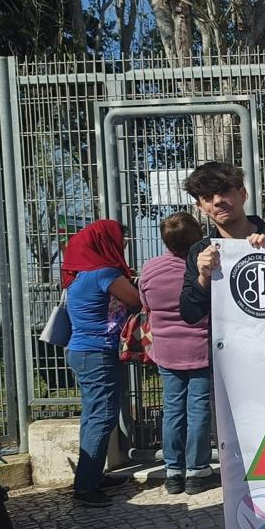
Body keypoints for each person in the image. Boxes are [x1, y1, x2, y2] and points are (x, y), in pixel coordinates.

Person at [177, 162, 265, 529]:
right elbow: (190, 312)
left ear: (243, 193)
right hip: (233, 376)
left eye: (224, 192)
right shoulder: (200, 251)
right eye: (206, 198)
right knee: (245, 462)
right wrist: (202, 276)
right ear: (199, 206)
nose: (217, 202)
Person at [62, 220, 139, 508]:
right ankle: (85, 487)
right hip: (97, 353)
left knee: (92, 414)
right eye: (121, 239)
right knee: (103, 415)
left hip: (82, 351)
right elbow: (136, 299)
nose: (124, 244)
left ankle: (92, 475)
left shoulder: (79, 274)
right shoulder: (104, 273)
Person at [139, 213, 214, 496]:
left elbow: (145, 304)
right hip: (201, 348)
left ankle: (172, 472)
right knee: (198, 410)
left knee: (172, 410)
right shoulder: (203, 267)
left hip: (166, 350)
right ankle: (197, 471)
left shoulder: (150, 269)